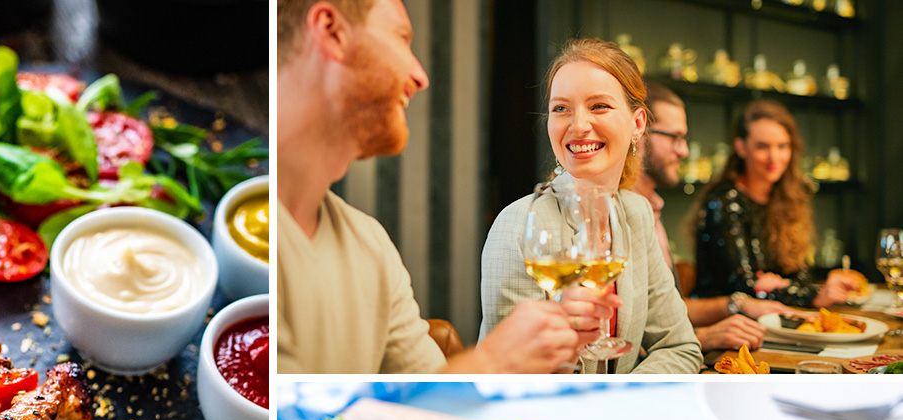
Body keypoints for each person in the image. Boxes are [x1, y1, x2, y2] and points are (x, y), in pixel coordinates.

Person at [276, 0, 579, 374]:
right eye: (401, 38)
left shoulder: (370, 245)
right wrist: (493, 361)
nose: (420, 77)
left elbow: (432, 395)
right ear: (331, 31)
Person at [479, 38, 702, 374]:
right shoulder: (519, 223)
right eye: (561, 108)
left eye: (598, 106)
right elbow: (508, 377)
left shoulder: (637, 213)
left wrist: (623, 397)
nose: (578, 125)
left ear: (637, 124)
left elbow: (680, 346)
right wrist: (567, 347)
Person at [634, 82, 791, 351]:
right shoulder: (619, 209)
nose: (684, 151)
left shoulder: (652, 206)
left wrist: (738, 304)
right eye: (675, 137)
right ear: (637, 131)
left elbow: (666, 310)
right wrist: (705, 336)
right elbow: (628, 333)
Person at [691, 100, 860, 308]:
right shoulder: (725, 200)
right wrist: (810, 295)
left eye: (782, 146)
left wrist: (783, 285)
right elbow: (744, 287)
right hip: (724, 321)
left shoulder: (789, 198)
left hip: (775, 316)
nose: (774, 157)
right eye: (762, 146)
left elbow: (800, 275)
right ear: (741, 147)